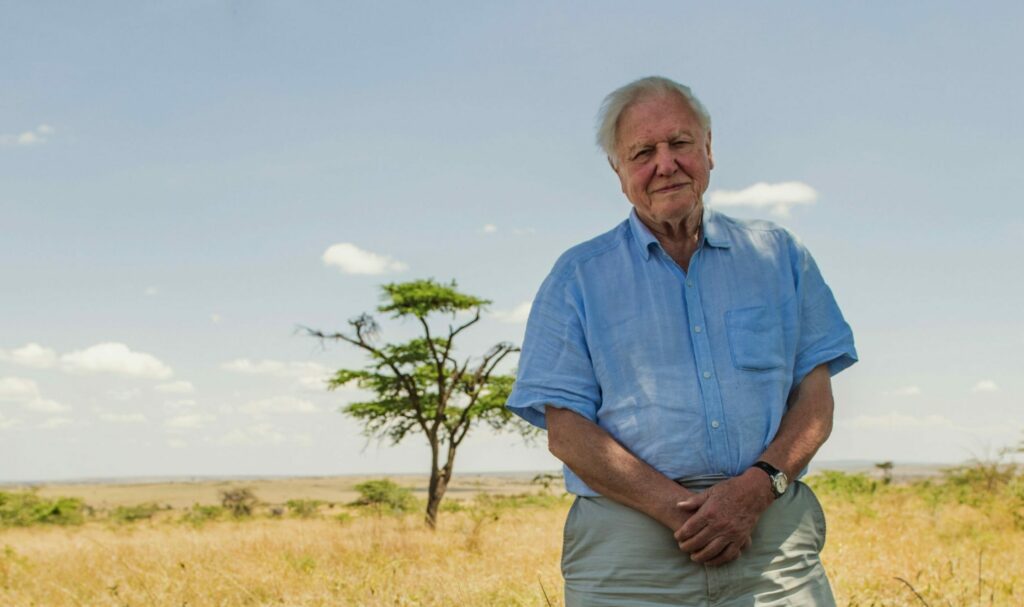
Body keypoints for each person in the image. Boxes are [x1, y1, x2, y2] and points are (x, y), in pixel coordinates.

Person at [505, 76, 857, 606]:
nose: (664, 164)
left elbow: (815, 401)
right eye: (643, 152)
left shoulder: (779, 255)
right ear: (617, 170)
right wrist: (685, 512)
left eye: (680, 143)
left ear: (709, 148)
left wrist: (753, 492)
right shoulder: (577, 277)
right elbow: (567, 433)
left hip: (770, 541)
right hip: (631, 556)